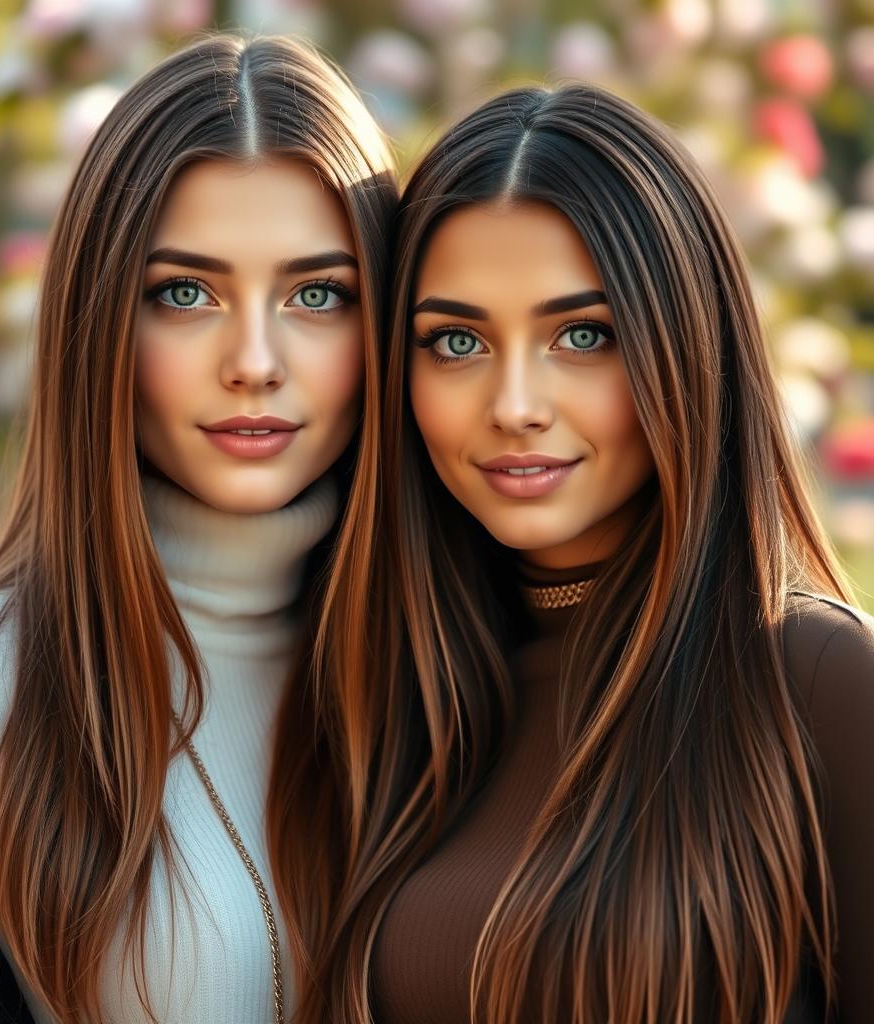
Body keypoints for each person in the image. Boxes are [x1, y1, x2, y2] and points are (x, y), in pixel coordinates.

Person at [270, 83, 874, 1024]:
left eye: (582, 335)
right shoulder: (395, 698)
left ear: (684, 346)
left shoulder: (816, 682)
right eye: (457, 341)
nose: (514, 403)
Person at [0, 32, 396, 1024]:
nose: (255, 360)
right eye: (184, 293)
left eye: (318, 294)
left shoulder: (462, 665)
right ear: (103, 319)